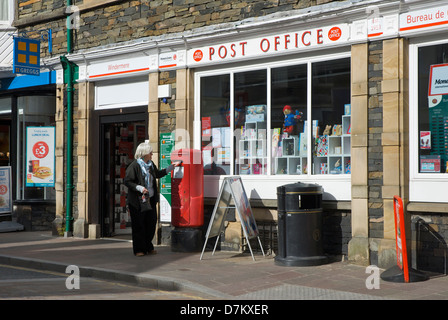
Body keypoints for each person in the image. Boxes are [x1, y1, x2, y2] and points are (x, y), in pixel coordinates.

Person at [124, 142, 180, 256]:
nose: (152, 154)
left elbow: (158, 174)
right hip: (137, 202)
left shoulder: (150, 165)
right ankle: (139, 249)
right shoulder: (134, 166)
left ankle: (148, 247)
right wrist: (139, 188)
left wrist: (171, 167)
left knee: (151, 223)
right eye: (150, 153)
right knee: (139, 225)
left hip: (150, 200)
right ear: (144, 153)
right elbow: (128, 181)